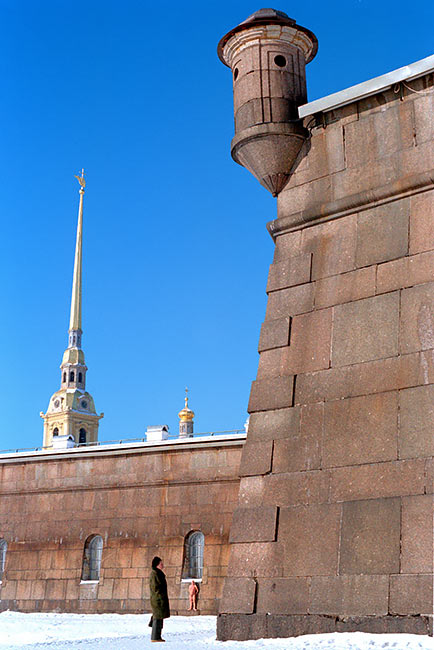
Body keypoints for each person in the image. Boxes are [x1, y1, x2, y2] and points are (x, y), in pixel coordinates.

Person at [149, 556, 170, 643]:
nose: (162, 565)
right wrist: (160, 596)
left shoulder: (158, 573)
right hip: (157, 599)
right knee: (157, 617)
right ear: (157, 564)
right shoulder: (155, 574)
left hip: (159, 599)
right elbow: (155, 587)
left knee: (159, 617)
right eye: (161, 563)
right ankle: (155, 637)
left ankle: (158, 636)